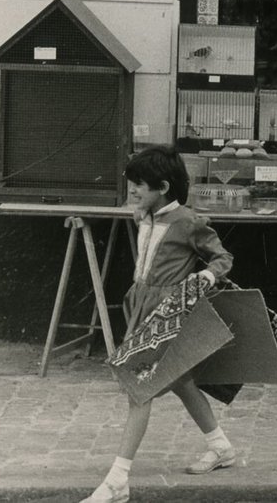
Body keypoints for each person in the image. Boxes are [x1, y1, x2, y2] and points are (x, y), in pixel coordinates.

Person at [81, 146, 237, 503]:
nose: (132, 190)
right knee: (180, 380)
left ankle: (118, 479)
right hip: (141, 306)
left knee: (141, 388)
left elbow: (223, 258)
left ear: (163, 186)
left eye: (139, 185)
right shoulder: (147, 214)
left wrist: (204, 279)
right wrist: (141, 212)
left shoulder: (188, 221)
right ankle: (221, 446)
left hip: (168, 314)